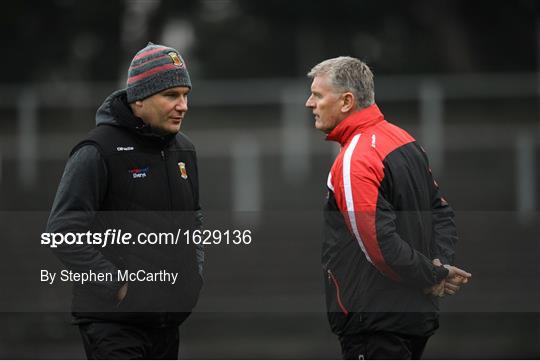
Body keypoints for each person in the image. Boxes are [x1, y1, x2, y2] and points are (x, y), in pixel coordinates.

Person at [305, 56, 471, 360]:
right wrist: (438, 267)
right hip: (414, 316)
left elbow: (379, 246)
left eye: (317, 95)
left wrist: (433, 276)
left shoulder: (355, 158)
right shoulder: (404, 140)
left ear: (346, 101)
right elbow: (442, 213)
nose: (309, 103)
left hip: (375, 320)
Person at [46, 42, 204, 359]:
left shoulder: (184, 149)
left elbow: (194, 218)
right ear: (140, 99)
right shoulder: (96, 149)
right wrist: (117, 288)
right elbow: (63, 231)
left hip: (166, 323)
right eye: (171, 95)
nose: (183, 106)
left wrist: (193, 276)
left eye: (185, 95)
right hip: (112, 325)